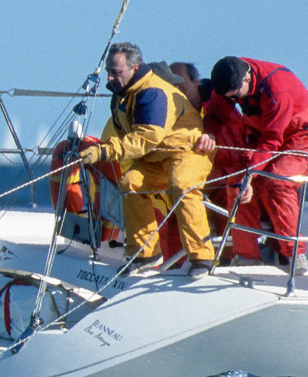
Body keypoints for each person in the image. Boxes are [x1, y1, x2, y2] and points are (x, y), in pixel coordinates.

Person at [77, 42, 214, 273]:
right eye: (109, 72)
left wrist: (103, 151)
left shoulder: (153, 92)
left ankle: (202, 257)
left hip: (187, 151)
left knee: (182, 185)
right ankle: (144, 254)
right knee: (130, 183)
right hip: (154, 158)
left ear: (134, 68)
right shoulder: (121, 94)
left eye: (116, 72)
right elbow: (126, 134)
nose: (110, 78)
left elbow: (146, 137)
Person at [196, 55, 308, 270]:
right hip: (259, 137)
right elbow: (216, 116)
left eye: (236, 96)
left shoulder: (278, 87)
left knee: (276, 182)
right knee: (236, 184)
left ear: (247, 79)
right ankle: (247, 257)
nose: (234, 101)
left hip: (299, 138)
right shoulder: (227, 83)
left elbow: (272, 141)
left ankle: (295, 255)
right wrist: (210, 133)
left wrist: (251, 175)